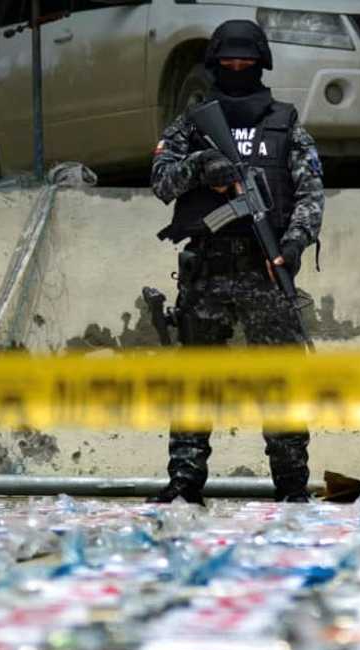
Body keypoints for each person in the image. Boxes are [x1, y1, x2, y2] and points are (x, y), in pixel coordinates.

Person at [148, 19, 324, 506]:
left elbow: (310, 195)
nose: (238, 67)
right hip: (207, 272)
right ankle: (185, 481)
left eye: (246, 61)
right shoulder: (190, 125)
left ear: (261, 63)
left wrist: (291, 246)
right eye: (230, 61)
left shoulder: (286, 126)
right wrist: (201, 168)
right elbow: (162, 182)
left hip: (265, 270)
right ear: (215, 64)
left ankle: (291, 485)